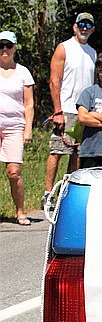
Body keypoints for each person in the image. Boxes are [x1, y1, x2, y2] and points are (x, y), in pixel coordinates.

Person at [43, 12, 97, 211]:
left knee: (77, 155)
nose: (84, 28)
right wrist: (57, 110)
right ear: (74, 27)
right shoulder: (64, 48)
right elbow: (54, 81)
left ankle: (67, 195)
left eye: (88, 25)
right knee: (57, 151)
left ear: (92, 29)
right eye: (81, 24)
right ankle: (48, 193)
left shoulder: (92, 52)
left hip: (83, 112)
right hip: (65, 109)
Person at [0, 31, 34, 224]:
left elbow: (29, 104)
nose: (4, 49)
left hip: (14, 126)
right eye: (1, 45)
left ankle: (20, 211)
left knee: (13, 172)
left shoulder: (23, 72)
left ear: (15, 47)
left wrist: (27, 128)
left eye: (8, 45)